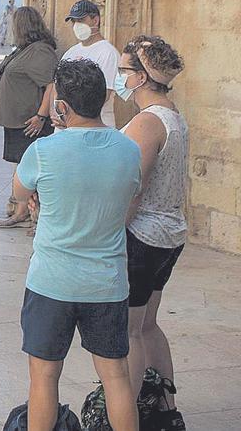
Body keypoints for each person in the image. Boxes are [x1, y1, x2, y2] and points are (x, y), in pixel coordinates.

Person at [13, 59, 141, 431]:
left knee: (44, 377)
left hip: (52, 282)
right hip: (106, 281)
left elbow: (20, 193)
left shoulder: (44, 151)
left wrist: (40, 196)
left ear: (62, 106)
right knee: (115, 375)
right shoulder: (128, 149)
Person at [118, 36, 187, 408]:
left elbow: (135, 188)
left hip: (143, 237)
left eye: (125, 71)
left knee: (129, 331)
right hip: (168, 235)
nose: (121, 77)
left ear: (142, 77)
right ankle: (166, 406)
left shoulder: (148, 122)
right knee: (148, 325)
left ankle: (123, 413)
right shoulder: (171, 112)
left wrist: (109, 232)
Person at [0, 7, 58, 229]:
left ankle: (38, 217)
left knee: (34, 170)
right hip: (16, 120)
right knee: (23, 168)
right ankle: (21, 211)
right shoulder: (24, 49)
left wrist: (41, 115)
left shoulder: (40, 51)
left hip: (31, 122)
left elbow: (51, 84)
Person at [39, 0, 121, 128]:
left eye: (81, 20)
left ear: (95, 20)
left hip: (93, 129)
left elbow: (103, 94)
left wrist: (71, 118)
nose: (76, 25)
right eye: (74, 21)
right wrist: (55, 113)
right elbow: (56, 86)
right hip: (66, 128)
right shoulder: (71, 52)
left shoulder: (108, 53)